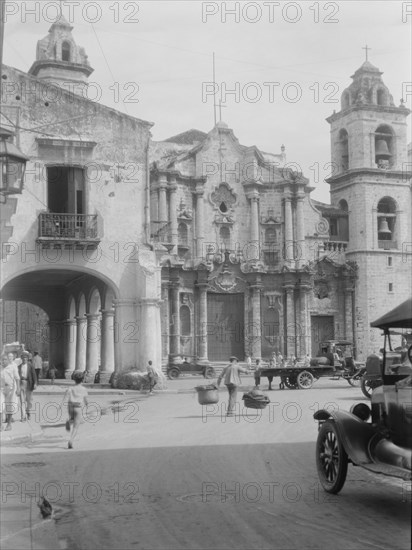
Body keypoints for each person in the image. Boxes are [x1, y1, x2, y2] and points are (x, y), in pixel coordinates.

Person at [63, 371, 88, 449]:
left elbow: (65, 398)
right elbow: (86, 400)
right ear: (82, 380)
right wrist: (87, 404)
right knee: (76, 426)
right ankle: (71, 440)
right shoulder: (83, 389)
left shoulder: (70, 388)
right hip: (78, 407)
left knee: (72, 418)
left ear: (74, 380)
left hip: (70, 406)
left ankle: (69, 420)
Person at [1, 353, 21, 431]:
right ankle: (0, 425)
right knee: (0, 406)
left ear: (8, 360)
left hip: (10, 389)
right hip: (1, 389)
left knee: (9, 406)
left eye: (5, 359)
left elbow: (17, 378)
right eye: (2, 360)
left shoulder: (12, 367)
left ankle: (9, 424)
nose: (3, 361)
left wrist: (18, 388)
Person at [18, 351, 37, 421]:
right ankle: (23, 416)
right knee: (22, 401)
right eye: (23, 358)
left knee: (29, 401)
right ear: (21, 358)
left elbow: (34, 375)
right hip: (21, 384)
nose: (24, 359)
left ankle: (28, 412)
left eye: (25, 358)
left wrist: (35, 383)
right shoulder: (19, 367)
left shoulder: (30, 366)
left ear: (27, 358)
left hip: (29, 384)